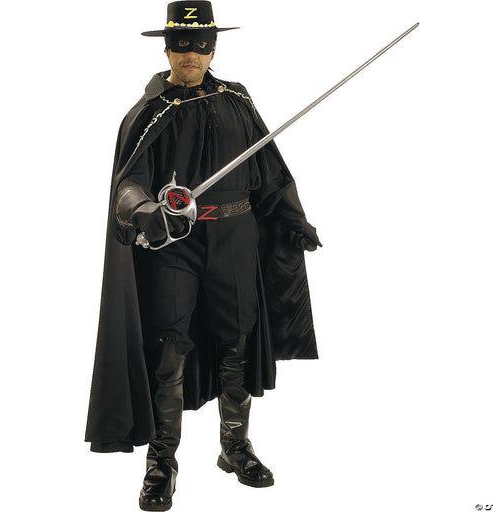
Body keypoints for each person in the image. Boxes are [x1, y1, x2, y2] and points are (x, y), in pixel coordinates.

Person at [85, 2, 321, 510]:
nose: (191, 53)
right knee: (168, 350)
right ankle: (162, 462)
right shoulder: (150, 113)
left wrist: (292, 217)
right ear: (166, 48)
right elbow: (127, 183)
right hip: (176, 247)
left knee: (237, 343)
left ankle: (235, 448)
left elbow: (270, 167)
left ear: (214, 47)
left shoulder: (237, 100)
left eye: (201, 43)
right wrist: (145, 209)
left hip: (236, 238)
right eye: (181, 43)